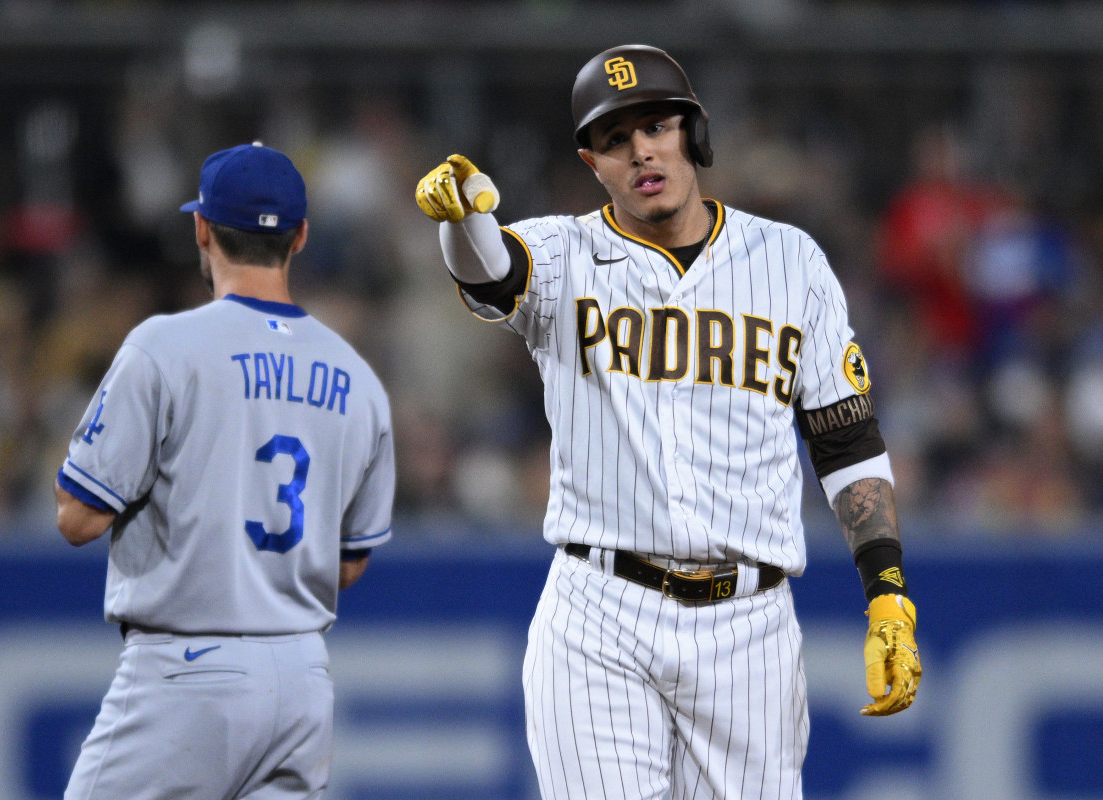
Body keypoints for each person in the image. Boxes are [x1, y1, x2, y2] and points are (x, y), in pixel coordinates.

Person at [415, 45, 919, 800]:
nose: (641, 150)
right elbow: (491, 270)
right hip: (600, 613)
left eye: (657, 125)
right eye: (616, 139)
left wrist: (886, 588)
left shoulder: (791, 262)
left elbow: (845, 438)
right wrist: (463, 217)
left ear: (695, 134)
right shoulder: (564, 252)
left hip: (749, 626)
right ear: (592, 161)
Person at [55, 142, 395, 800]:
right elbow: (350, 564)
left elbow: (77, 517)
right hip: (302, 679)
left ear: (201, 228)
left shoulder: (164, 347)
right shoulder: (358, 378)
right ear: (299, 237)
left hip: (185, 672)